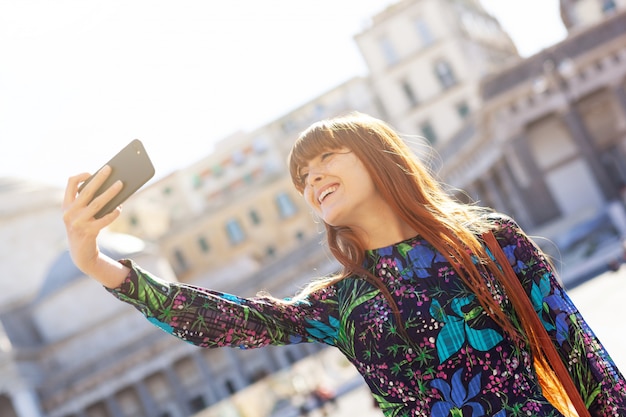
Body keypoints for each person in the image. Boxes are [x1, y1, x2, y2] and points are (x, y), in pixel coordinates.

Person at [63, 112, 626, 416]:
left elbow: (581, 355)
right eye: (303, 179)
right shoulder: (341, 302)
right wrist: (98, 266)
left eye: (326, 159)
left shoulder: (493, 242)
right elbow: (230, 321)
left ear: (381, 158)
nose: (313, 181)